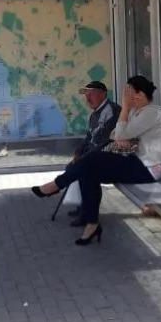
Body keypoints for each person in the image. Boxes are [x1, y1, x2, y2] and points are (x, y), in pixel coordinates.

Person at [31, 75, 161, 246]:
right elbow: (115, 135)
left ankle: (56, 186)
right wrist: (123, 135)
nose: (124, 97)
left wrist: (125, 109)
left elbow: (119, 134)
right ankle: (91, 224)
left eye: (127, 93)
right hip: (135, 160)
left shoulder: (151, 113)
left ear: (139, 95)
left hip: (148, 169)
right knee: (88, 170)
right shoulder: (139, 113)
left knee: (90, 161)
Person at [64, 81, 121, 225]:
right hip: (97, 155)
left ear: (103, 94)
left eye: (92, 94)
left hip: (112, 157)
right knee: (72, 168)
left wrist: (86, 157)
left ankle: (88, 215)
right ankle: (82, 206)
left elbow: (106, 140)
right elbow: (89, 137)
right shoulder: (96, 113)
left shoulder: (112, 111)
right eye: (86, 95)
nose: (88, 98)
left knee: (86, 172)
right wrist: (79, 152)